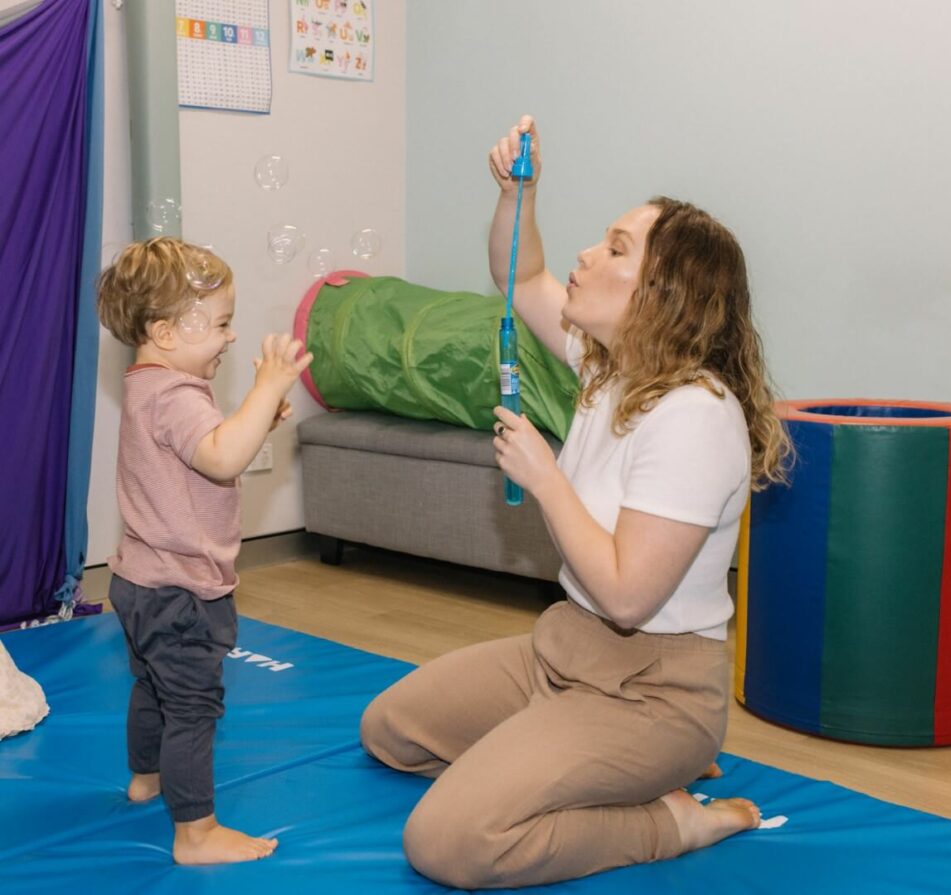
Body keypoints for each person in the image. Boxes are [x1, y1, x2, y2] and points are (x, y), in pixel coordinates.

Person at [360, 115, 793, 888]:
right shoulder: (609, 368)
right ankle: (587, 762)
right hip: (563, 651)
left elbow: (628, 595)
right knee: (390, 730)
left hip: (652, 691)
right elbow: (521, 278)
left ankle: (673, 818)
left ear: (664, 295)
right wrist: (516, 193)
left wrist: (546, 474)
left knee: (447, 840)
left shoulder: (696, 413)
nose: (588, 256)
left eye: (616, 248)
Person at [97, 237, 312, 865]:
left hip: (137, 581)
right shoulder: (178, 394)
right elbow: (219, 456)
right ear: (165, 330)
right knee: (192, 708)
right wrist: (268, 387)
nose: (229, 337)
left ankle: (146, 778)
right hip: (181, 591)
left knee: (151, 687)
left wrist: (254, 419)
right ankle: (195, 832)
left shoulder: (148, 384)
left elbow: (202, 450)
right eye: (219, 323)